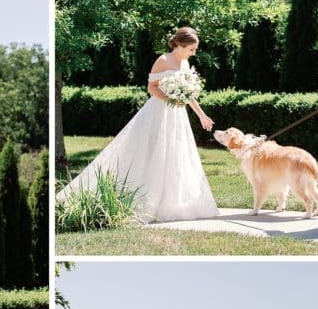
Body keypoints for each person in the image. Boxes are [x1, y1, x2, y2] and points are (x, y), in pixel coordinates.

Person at [56, 26, 220, 222]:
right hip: (160, 111)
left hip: (178, 115)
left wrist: (202, 115)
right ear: (180, 45)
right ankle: (145, 198)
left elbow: (189, 95)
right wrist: (171, 99)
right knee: (151, 151)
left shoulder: (184, 63)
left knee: (177, 153)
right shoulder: (162, 61)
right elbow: (151, 88)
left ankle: (174, 202)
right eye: (191, 49)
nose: (193, 53)